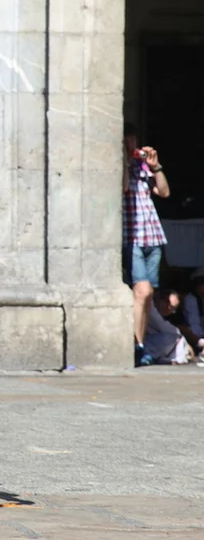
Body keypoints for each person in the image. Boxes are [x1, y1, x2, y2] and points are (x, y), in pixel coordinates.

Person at [122, 124, 170, 366]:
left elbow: (164, 191)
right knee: (141, 291)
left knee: (148, 294)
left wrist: (155, 166)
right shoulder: (122, 167)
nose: (131, 143)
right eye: (127, 139)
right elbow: (123, 187)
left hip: (153, 236)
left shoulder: (142, 168)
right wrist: (124, 160)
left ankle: (140, 345)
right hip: (133, 237)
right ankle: (135, 345)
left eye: (133, 139)